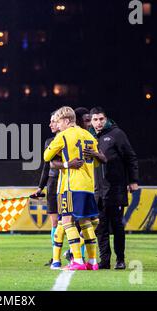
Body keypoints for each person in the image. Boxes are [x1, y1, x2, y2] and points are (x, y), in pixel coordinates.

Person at [44, 106, 100, 271]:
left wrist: (62, 155)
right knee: (86, 222)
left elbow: (47, 156)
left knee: (67, 222)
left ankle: (77, 260)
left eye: (59, 121)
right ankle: (93, 262)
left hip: (70, 186)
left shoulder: (64, 135)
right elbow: (96, 162)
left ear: (67, 121)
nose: (57, 124)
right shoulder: (89, 136)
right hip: (88, 185)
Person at [89, 107, 139, 270]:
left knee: (117, 226)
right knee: (101, 227)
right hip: (97, 190)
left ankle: (120, 259)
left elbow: (130, 157)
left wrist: (133, 180)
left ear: (106, 119)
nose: (98, 123)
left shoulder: (117, 134)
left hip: (116, 188)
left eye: (101, 119)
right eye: (95, 120)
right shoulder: (89, 137)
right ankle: (105, 261)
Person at [31, 112, 83, 266]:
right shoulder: (50, 141)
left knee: (78, 222)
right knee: (56, 223)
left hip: (72, 182)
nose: (51, 124)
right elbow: (48, 166)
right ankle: (56, 257)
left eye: (54, 121)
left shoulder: (74, 137)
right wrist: (41, 187)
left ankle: (77, 254)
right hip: (54, 184)